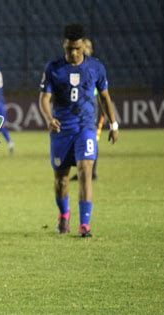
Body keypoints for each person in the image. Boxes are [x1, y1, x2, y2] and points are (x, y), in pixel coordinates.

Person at [38, 24, 119, 237]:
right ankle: (64, 215)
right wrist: (49, 119)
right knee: (61, 179)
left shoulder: (96, 67)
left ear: (83, 45)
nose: (73, 53)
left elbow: (104, 97)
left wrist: (114, 124)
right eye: (69, 49)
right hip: (61, 130)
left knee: (85, 171)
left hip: (85, 127)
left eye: (77, 49)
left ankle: (85, 225)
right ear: (63, 45)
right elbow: (44, 99)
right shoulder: (53, 68)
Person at [70, 38, 106, 181]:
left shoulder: (95, 66)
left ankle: (92, 172)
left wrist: (103, 110)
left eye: (88, 46)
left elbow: (103, 91)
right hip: (79, 108)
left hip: (92, 107)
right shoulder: (75, 65)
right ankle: (83, 171)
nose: (86, 49)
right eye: (84, 46)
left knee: (92, 140)